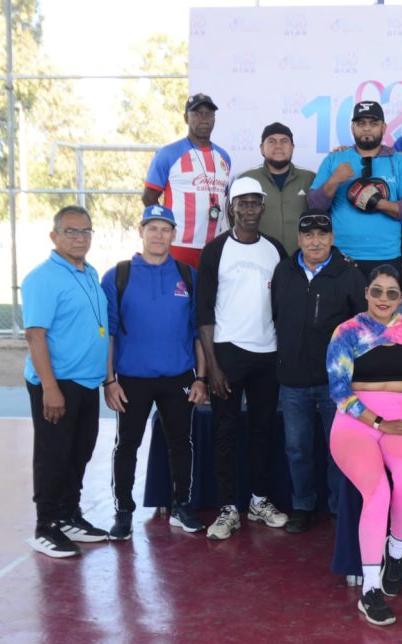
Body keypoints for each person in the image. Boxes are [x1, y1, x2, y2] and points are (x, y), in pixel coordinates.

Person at [101, 205, 208, 540]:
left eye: (165, 229)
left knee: (181, 443)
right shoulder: (118, 275)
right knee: (127, 445)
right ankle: (123, 511)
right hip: (132, 379)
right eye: (152, 228)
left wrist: (201, 377)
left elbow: (197, 332)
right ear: (141, 231)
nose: (158, 235)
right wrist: (109, 381)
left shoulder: (187, 275)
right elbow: (109, 334)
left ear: (174, 234)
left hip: (178, 376)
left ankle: (181, 506)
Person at [326, 265, 402, 626]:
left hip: (399, 416)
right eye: (377, 291)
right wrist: (380, 422)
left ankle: (395, 553)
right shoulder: (347, 331)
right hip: (355, 421)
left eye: (392, 293)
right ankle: (370, 590)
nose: (384, 298)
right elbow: (339, 391)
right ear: (366, 293)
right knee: (378, 492)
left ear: (401, 297)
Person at [197, 176, 289, 541]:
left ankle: (259, 501)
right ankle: (227, 508)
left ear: (262, 207)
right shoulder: (215, 251)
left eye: (255, 203)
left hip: (268, 353)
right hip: (228, 353)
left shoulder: (275, 249)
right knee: (226, 431)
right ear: (231, 208)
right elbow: (204, 313)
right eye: (242, 203)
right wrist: (213, 366)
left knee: (263, 430)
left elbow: (283, 304)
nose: (249, 209)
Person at [271, 208, 367, 532]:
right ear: (299, 239)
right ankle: (302, 505)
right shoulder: (283, 271)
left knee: (337, 449)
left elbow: (362, 327)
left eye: (322, 235)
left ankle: (338, 508)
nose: (315, 241)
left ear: (332, 238)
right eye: (308, 235)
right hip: (293, 379)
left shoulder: (349, 275)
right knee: (297, 449)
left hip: (336, 384)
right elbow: (275, 315)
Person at [21, 205, 110, 557]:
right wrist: (50, 387)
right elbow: (35, 335)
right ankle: (46, 526)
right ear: (54, 235)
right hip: (58, 384)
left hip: (86, 383)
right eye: (71, 231)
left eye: (86, 231)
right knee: (53, 455)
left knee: (79, 452)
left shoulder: (89, 272)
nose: (80, 238)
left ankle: (69, 515)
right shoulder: (42, 278)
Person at [308, 101, 402, 277]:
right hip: (341, 254)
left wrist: (377, 203)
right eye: (361, 123)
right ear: (353, 128)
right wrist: (334, 180)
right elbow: (315, 205)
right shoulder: (334, 159)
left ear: (384, 127)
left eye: (373, 123)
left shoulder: (400, 162)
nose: (367, 128)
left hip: (386, 255)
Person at [143, 93, 232, 267]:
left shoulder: (224, 157)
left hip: (214, 246)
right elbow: (148, 197)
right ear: (186, 118)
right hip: (178, 245)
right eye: (197, 113)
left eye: (209, 114)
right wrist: (165, 230)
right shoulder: (168, 154)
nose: (204, 119)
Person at [238, 122, 316, 255]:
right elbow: (233, 218)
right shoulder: (247, 179)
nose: (278, 146)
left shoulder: (310, 178)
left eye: (284, 141)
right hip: (259, 258)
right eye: (272, 141)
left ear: (292, 147)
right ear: (262, 148)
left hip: (301, 260)